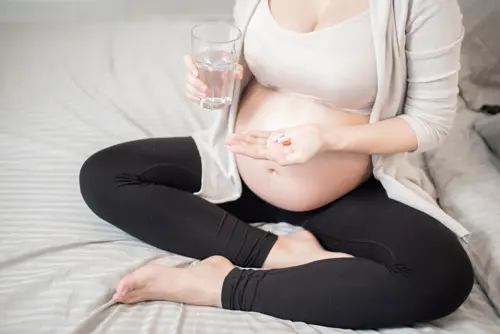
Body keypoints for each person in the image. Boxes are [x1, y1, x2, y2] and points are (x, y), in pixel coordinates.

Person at [79, 0, 474, 330]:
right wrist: (213, 81)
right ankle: (280, 253)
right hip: (238, 164)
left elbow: (431, 123)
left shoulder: (422, 6)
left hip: (344, 189)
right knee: (106, 173)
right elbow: (256, 71)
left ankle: (219, 286)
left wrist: (327, 139)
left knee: (441, 275)